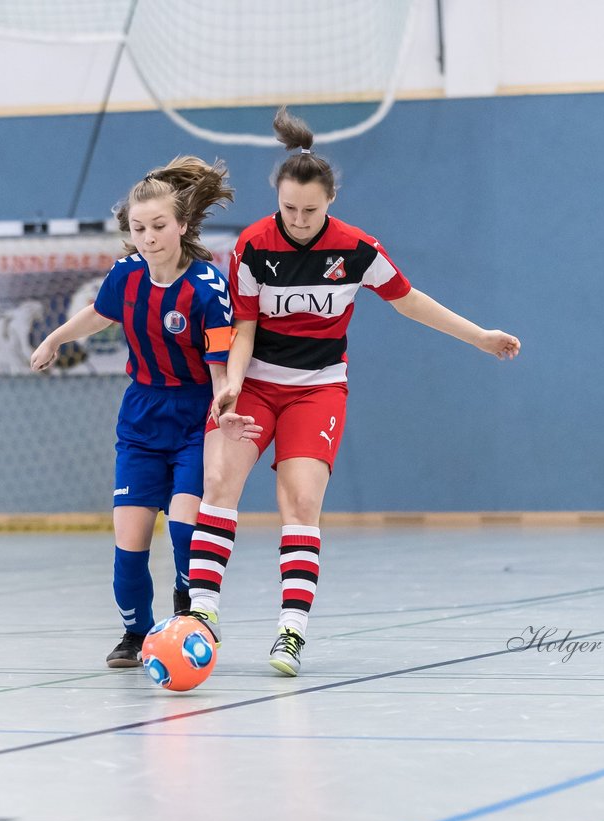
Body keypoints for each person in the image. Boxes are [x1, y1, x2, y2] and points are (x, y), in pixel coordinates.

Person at [184, 107, 522, 677]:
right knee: (218, 479)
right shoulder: (252, 246)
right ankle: (202, 616)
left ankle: (291, 631)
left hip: (317, 391)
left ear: (330, 202)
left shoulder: (357, 250)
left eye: (310, 210)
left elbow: (410, 301)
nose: (297, 219)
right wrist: (234, 386)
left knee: (302, 501)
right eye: (288, 208)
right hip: (258, 386)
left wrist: (480, 338)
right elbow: (242, 327)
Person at [30, 155, 258, 668]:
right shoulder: (126, 274)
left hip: (193, 417)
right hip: (140, 417)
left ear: (181, 225)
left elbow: (221, 361)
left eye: (159, 226)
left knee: (184, 529)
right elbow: (99, 313)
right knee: (128, 543)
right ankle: (134, 634)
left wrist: (225, 405)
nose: (149, 237)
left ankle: (187, 604)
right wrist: (55, 338)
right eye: (139, 228)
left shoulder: (207, 285)